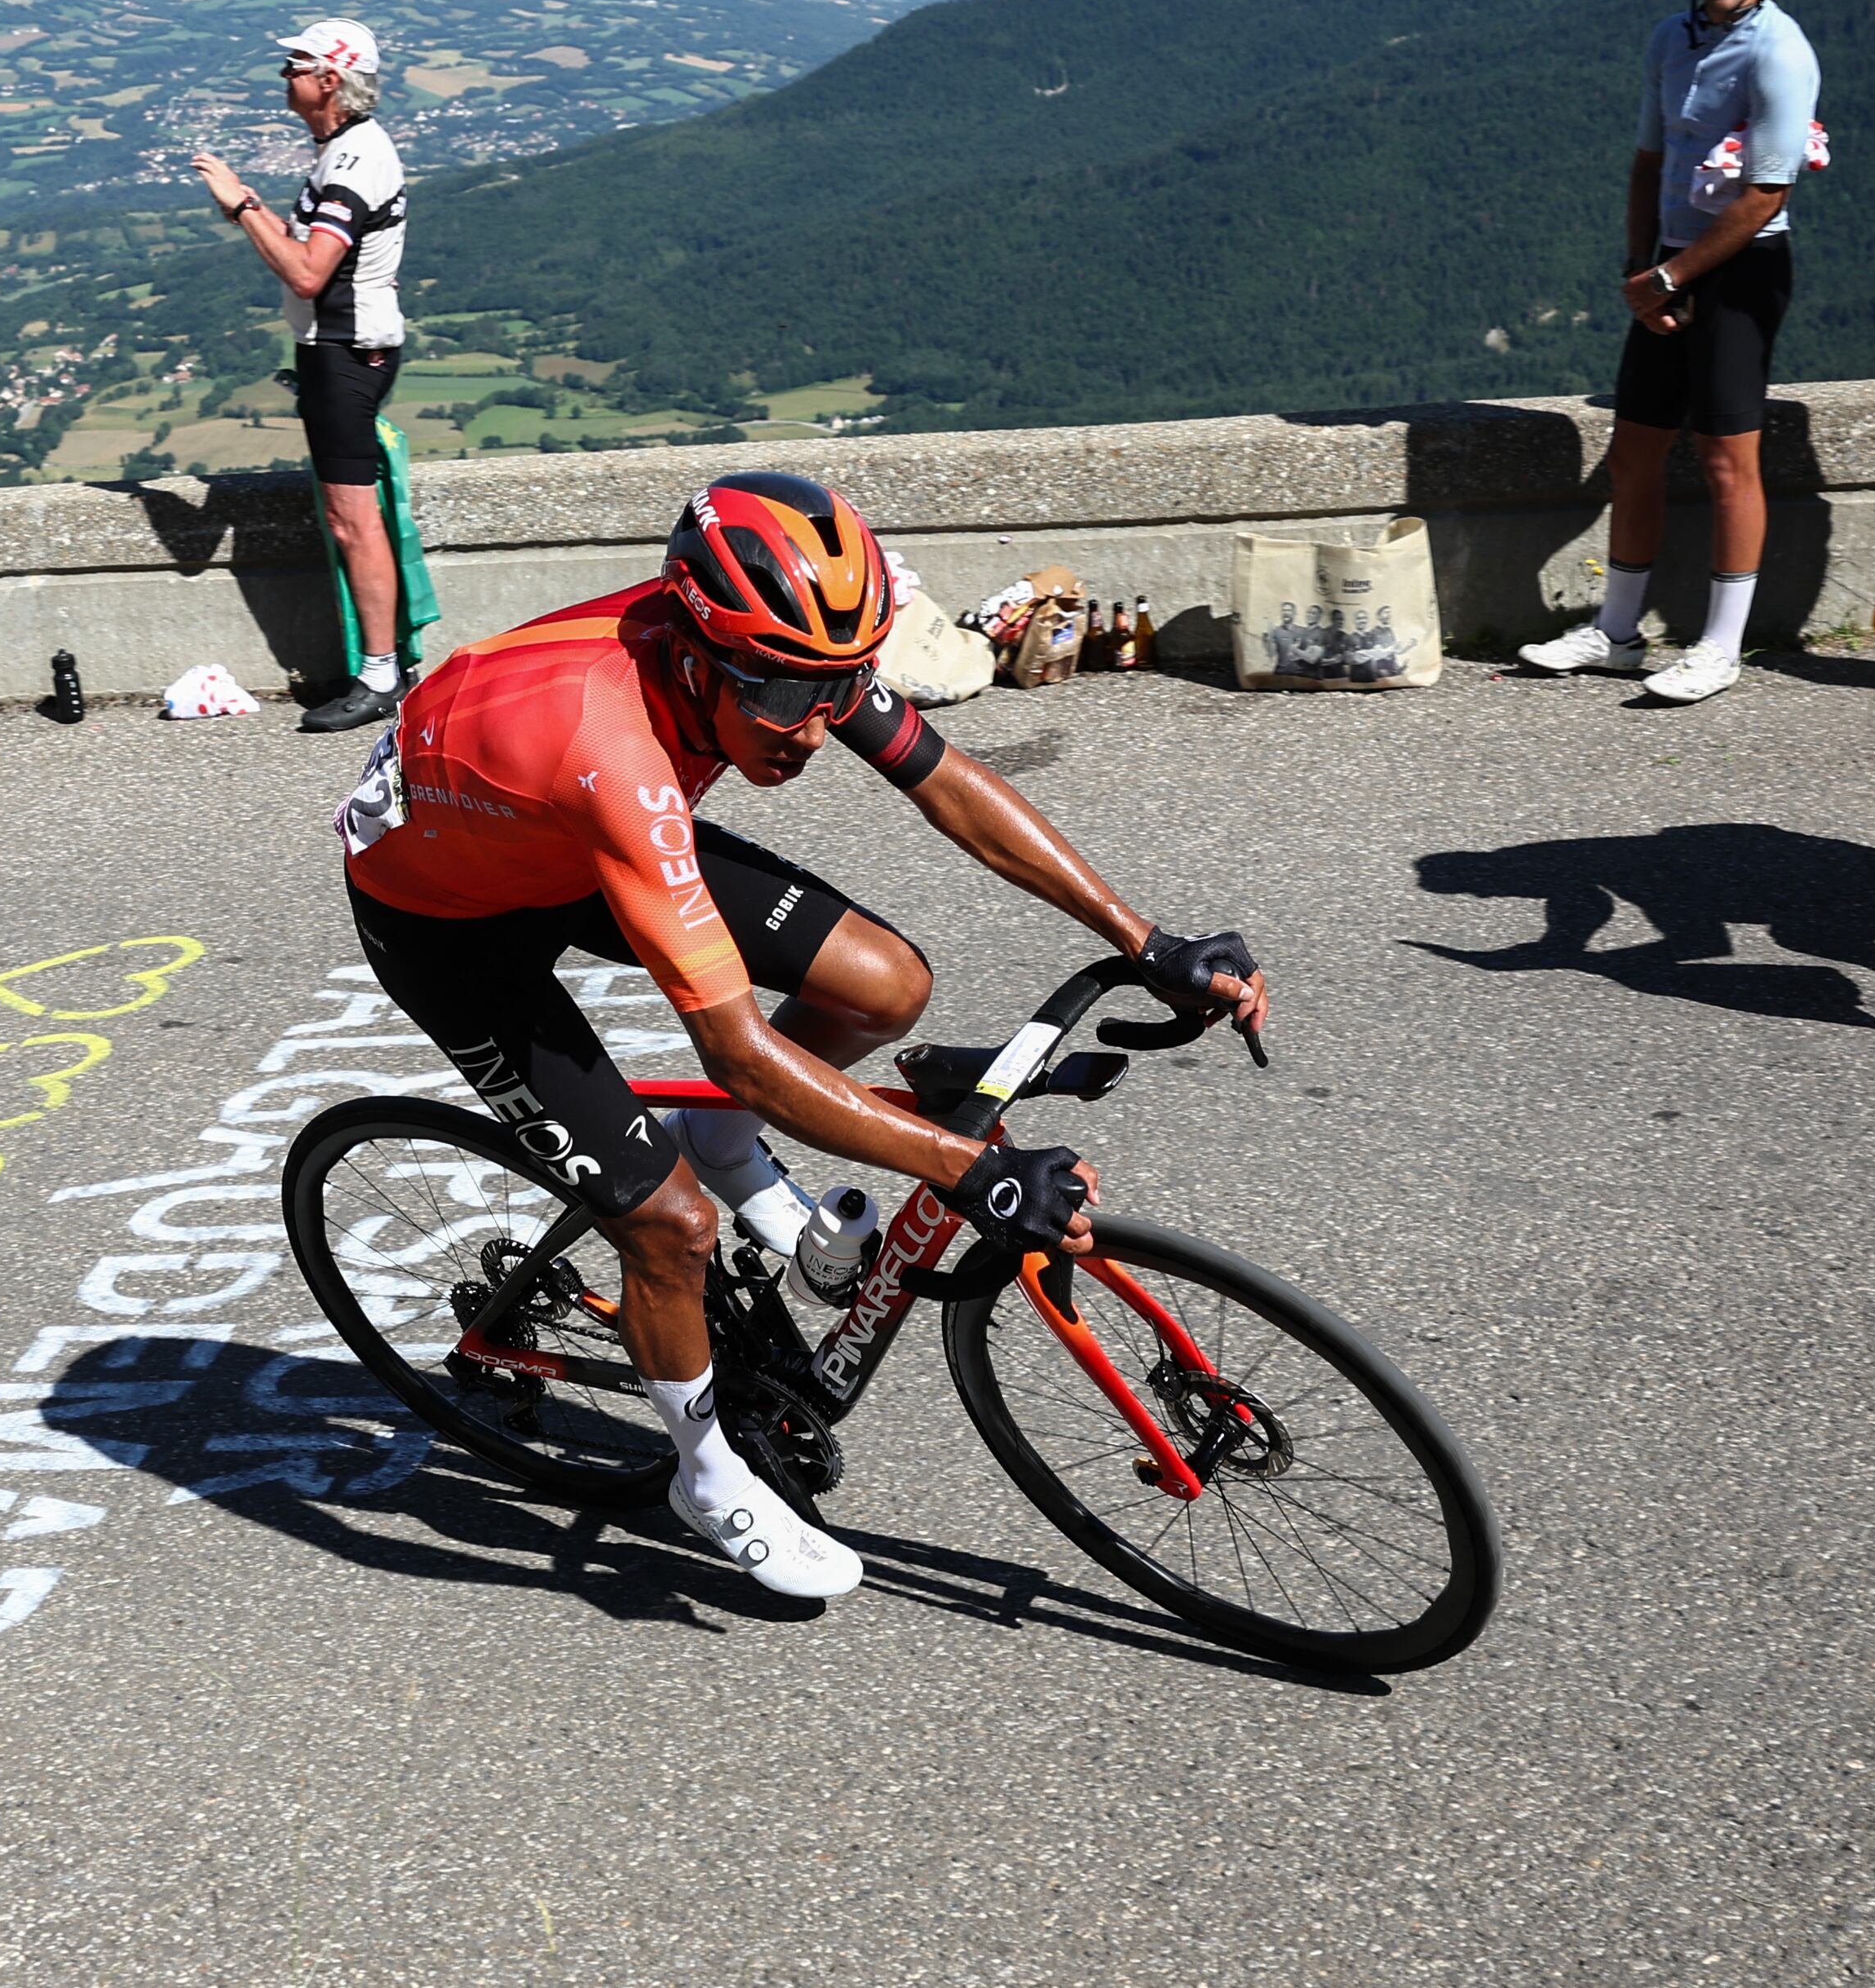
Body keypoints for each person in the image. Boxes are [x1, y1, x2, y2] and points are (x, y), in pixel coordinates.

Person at [337, 472, 1270, 1598]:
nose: (818, 727)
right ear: (698, 654)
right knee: (668, 1224)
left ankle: (726, 1144)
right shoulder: (616, 749)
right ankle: (703, 1474)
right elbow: (736, 1049)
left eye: (839, 687)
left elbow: (950, 783)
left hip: (558, 841)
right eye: (787, 695)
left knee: (884, 985)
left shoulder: (784, 658)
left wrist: (1145, 937)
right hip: (446, 917)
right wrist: (970, 1168)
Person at [1518, 0, 1824, 705]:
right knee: (1636, 451)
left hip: (1743, 268)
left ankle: (1719, 646)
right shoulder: (1669, 40)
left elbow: (1768, 193)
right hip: (1667, 262)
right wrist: (1638, 265)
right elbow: (1649, 160)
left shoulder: (1779, 50)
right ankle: (1616, 632)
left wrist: (1666, 276)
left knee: (1728, 460)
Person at [191, 17, 410, 735]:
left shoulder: (353, 161)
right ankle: (384, 664)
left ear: (330, 80)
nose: (283, 75)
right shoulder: (343, 150)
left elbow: (309, 272)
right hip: (339, 349)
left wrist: (243, 204)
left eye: (295, 64)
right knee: (351, 516)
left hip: (346, 352)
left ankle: (380, 676)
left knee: (353, 520)